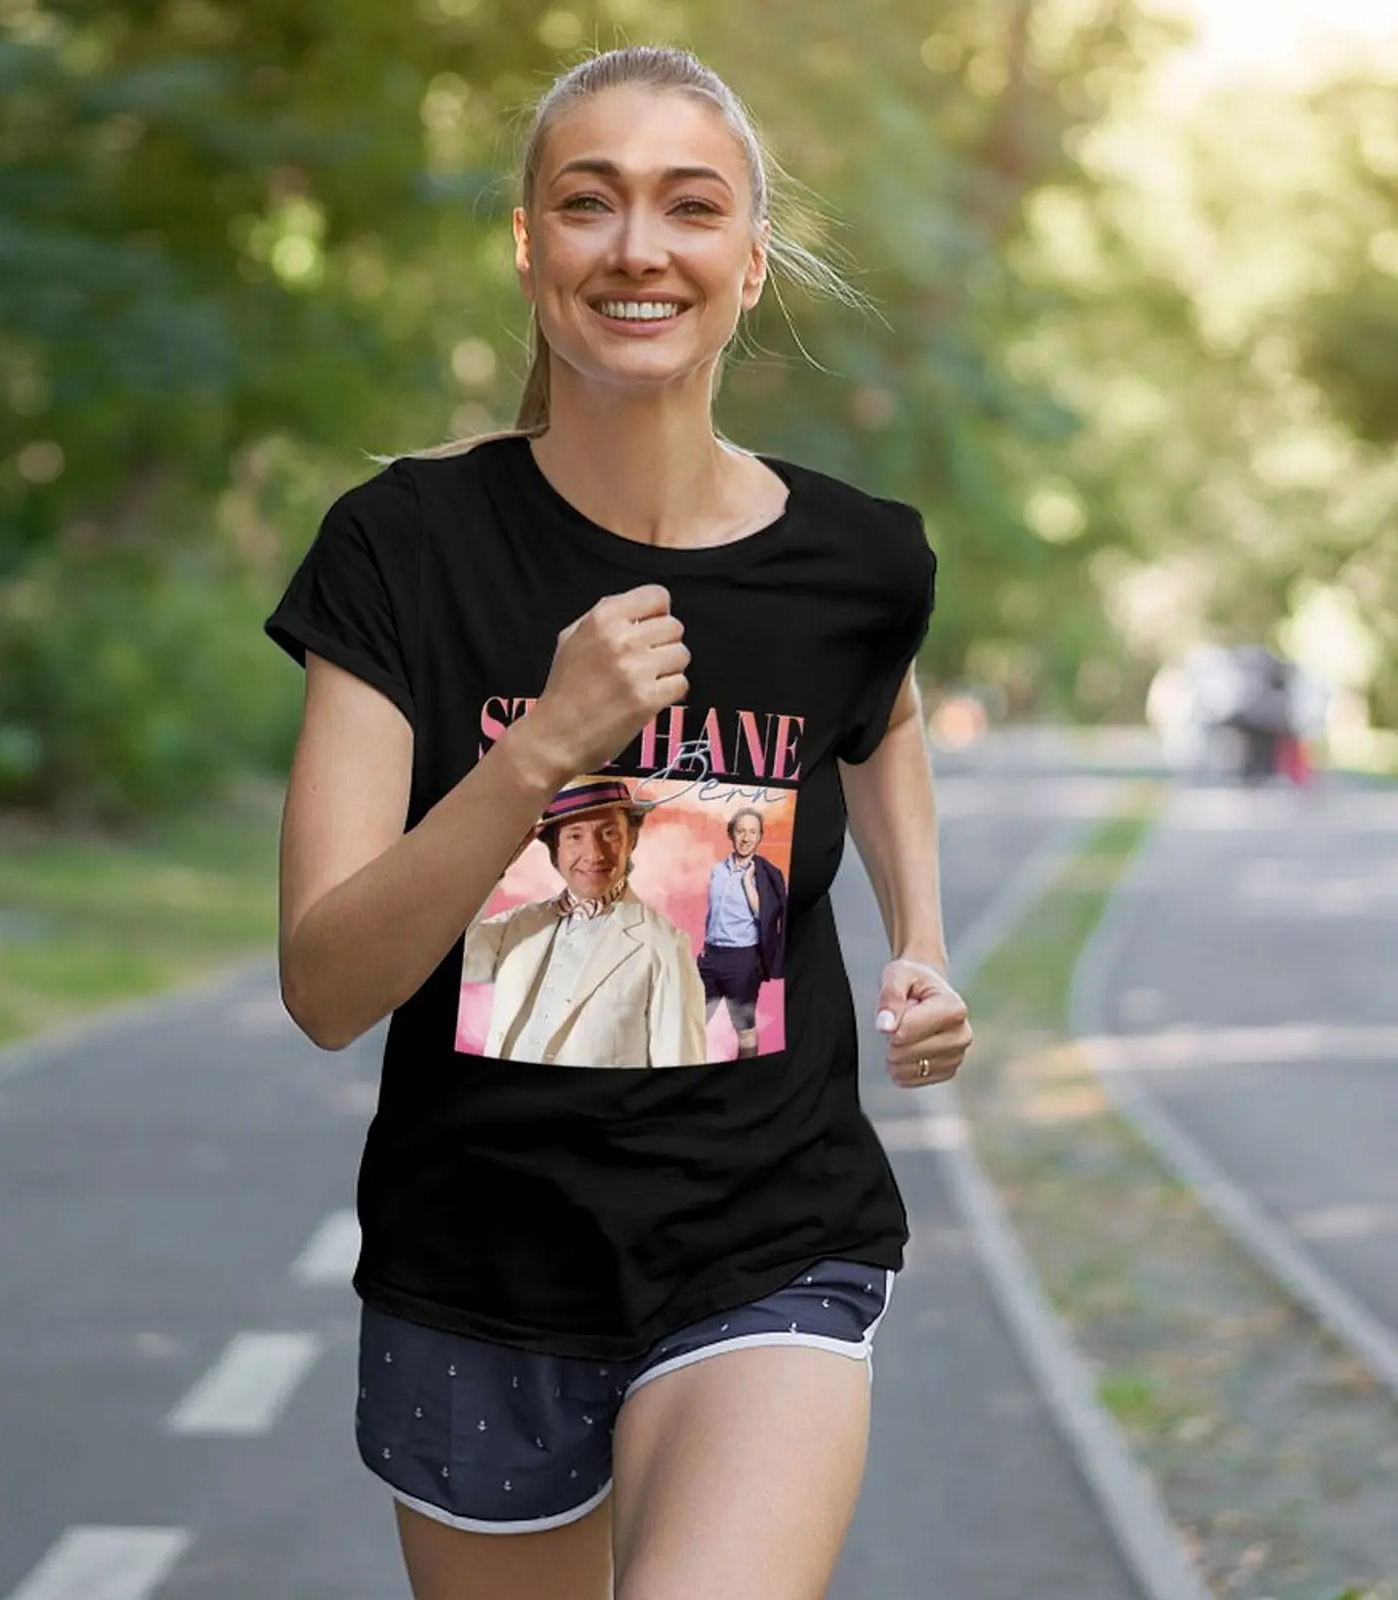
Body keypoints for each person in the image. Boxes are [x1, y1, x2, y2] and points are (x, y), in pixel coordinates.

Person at [267, 44, 971, 1600]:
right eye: (588, 204)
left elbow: (889, 714)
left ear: (748, 258)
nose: (638, 246)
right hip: (477, 1276)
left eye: (688, 207)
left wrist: (921, 938)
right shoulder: (405, 550)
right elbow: (326, 987)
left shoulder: (859, 561)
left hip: (769, 1242)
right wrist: (544, 756)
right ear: (530, 245)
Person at [463, 775, 708, 1067]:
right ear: (555, 849)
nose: (593, 854)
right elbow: (448, 959)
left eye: (609, 834)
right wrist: (492, 867)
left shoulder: (666, 945)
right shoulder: (518, 924)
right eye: (575, 836)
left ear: (632, 840)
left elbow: (678, 1076)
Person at [698, 805, 787, 1058]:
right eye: (740, 831)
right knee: (692, 1023)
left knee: (744, 1029)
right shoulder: (717, 870)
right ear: (732, 834)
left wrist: (748, 883)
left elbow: (767, 916)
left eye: (752, 832)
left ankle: (746, 1084)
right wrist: (705, 948)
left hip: (742, 960)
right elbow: (712, 913)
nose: (746, 838)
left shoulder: (765, 874)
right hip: (711, 957)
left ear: (760, 837)